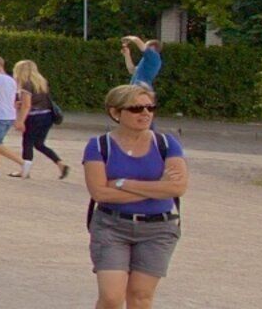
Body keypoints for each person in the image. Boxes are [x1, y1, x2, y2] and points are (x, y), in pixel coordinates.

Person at [84, 81, 187, 306]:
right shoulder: (99, 146)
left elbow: (177, 188)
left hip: (158, 229)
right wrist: (157, 188)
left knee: (140, 297)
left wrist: (122, 183)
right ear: (115, 112)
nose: (145, 113)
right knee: (111, 297)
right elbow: (100, 193)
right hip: (111, 226)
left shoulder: (166, 143)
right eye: (136, 108)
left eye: (150, 107)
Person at [18, 59, 70, 180]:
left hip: (34, 117)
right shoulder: (41, 82)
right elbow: (39, 100)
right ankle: (60, 164)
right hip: (47, 116)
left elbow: (27, 105)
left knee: (27, 142)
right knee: (39, 143)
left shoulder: (26, 84)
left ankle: (25, 171)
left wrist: (20, 120)